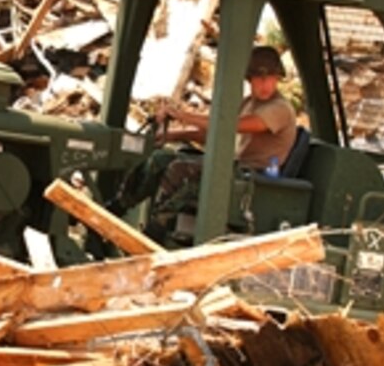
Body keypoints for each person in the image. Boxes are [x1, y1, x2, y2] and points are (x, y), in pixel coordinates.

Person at [112, 45, 299, 239]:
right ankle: (118, 207)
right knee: (161, 158)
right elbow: (216, 133)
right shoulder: (248, 103)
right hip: (235, 171)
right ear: (249, 78)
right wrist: (173, 135)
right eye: (259, 78)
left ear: (278, 78)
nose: (265, 84)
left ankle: (156, 230)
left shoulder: (280, 108)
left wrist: (181, 114)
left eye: (271, 78)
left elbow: (231, 126)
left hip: (253, 179)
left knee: (180, 169)